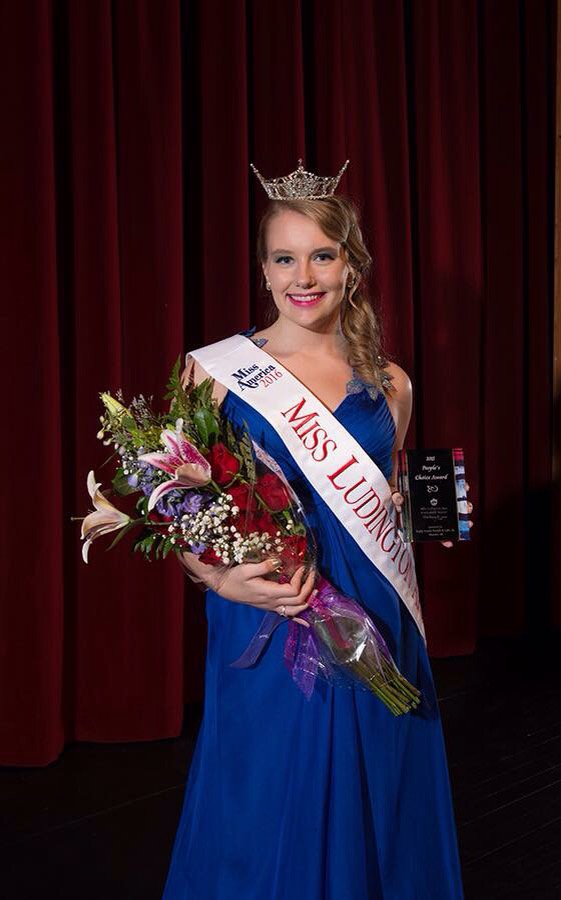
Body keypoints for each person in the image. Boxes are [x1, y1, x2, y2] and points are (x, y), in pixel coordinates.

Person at [162, 160, 472, 899]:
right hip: (271, 609)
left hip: (373, 616)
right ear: (263, 270)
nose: (303, 275)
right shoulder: (213, 372)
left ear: (350, 266)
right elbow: (174, 505)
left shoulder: (391, 384)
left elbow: (389, 499)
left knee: (379, 785)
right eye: (284, 257)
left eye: (322, 255)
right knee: (267, 784)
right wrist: (216, 576)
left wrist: (427, 508)